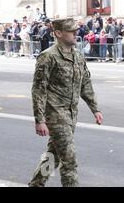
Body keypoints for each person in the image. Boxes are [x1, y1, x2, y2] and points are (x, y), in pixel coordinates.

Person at [29, 18, 103, 187]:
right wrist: (39, 120)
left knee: (53, 155)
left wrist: (95, 109)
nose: (76, 33)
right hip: (55, 116)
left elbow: (85, 84)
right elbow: (39, 89)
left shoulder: (77, 56)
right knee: (70, 161)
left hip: (71, 115)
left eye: (76, 30)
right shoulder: (48, 57)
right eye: (72, 31)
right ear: (58, 33)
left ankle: (36, 184)